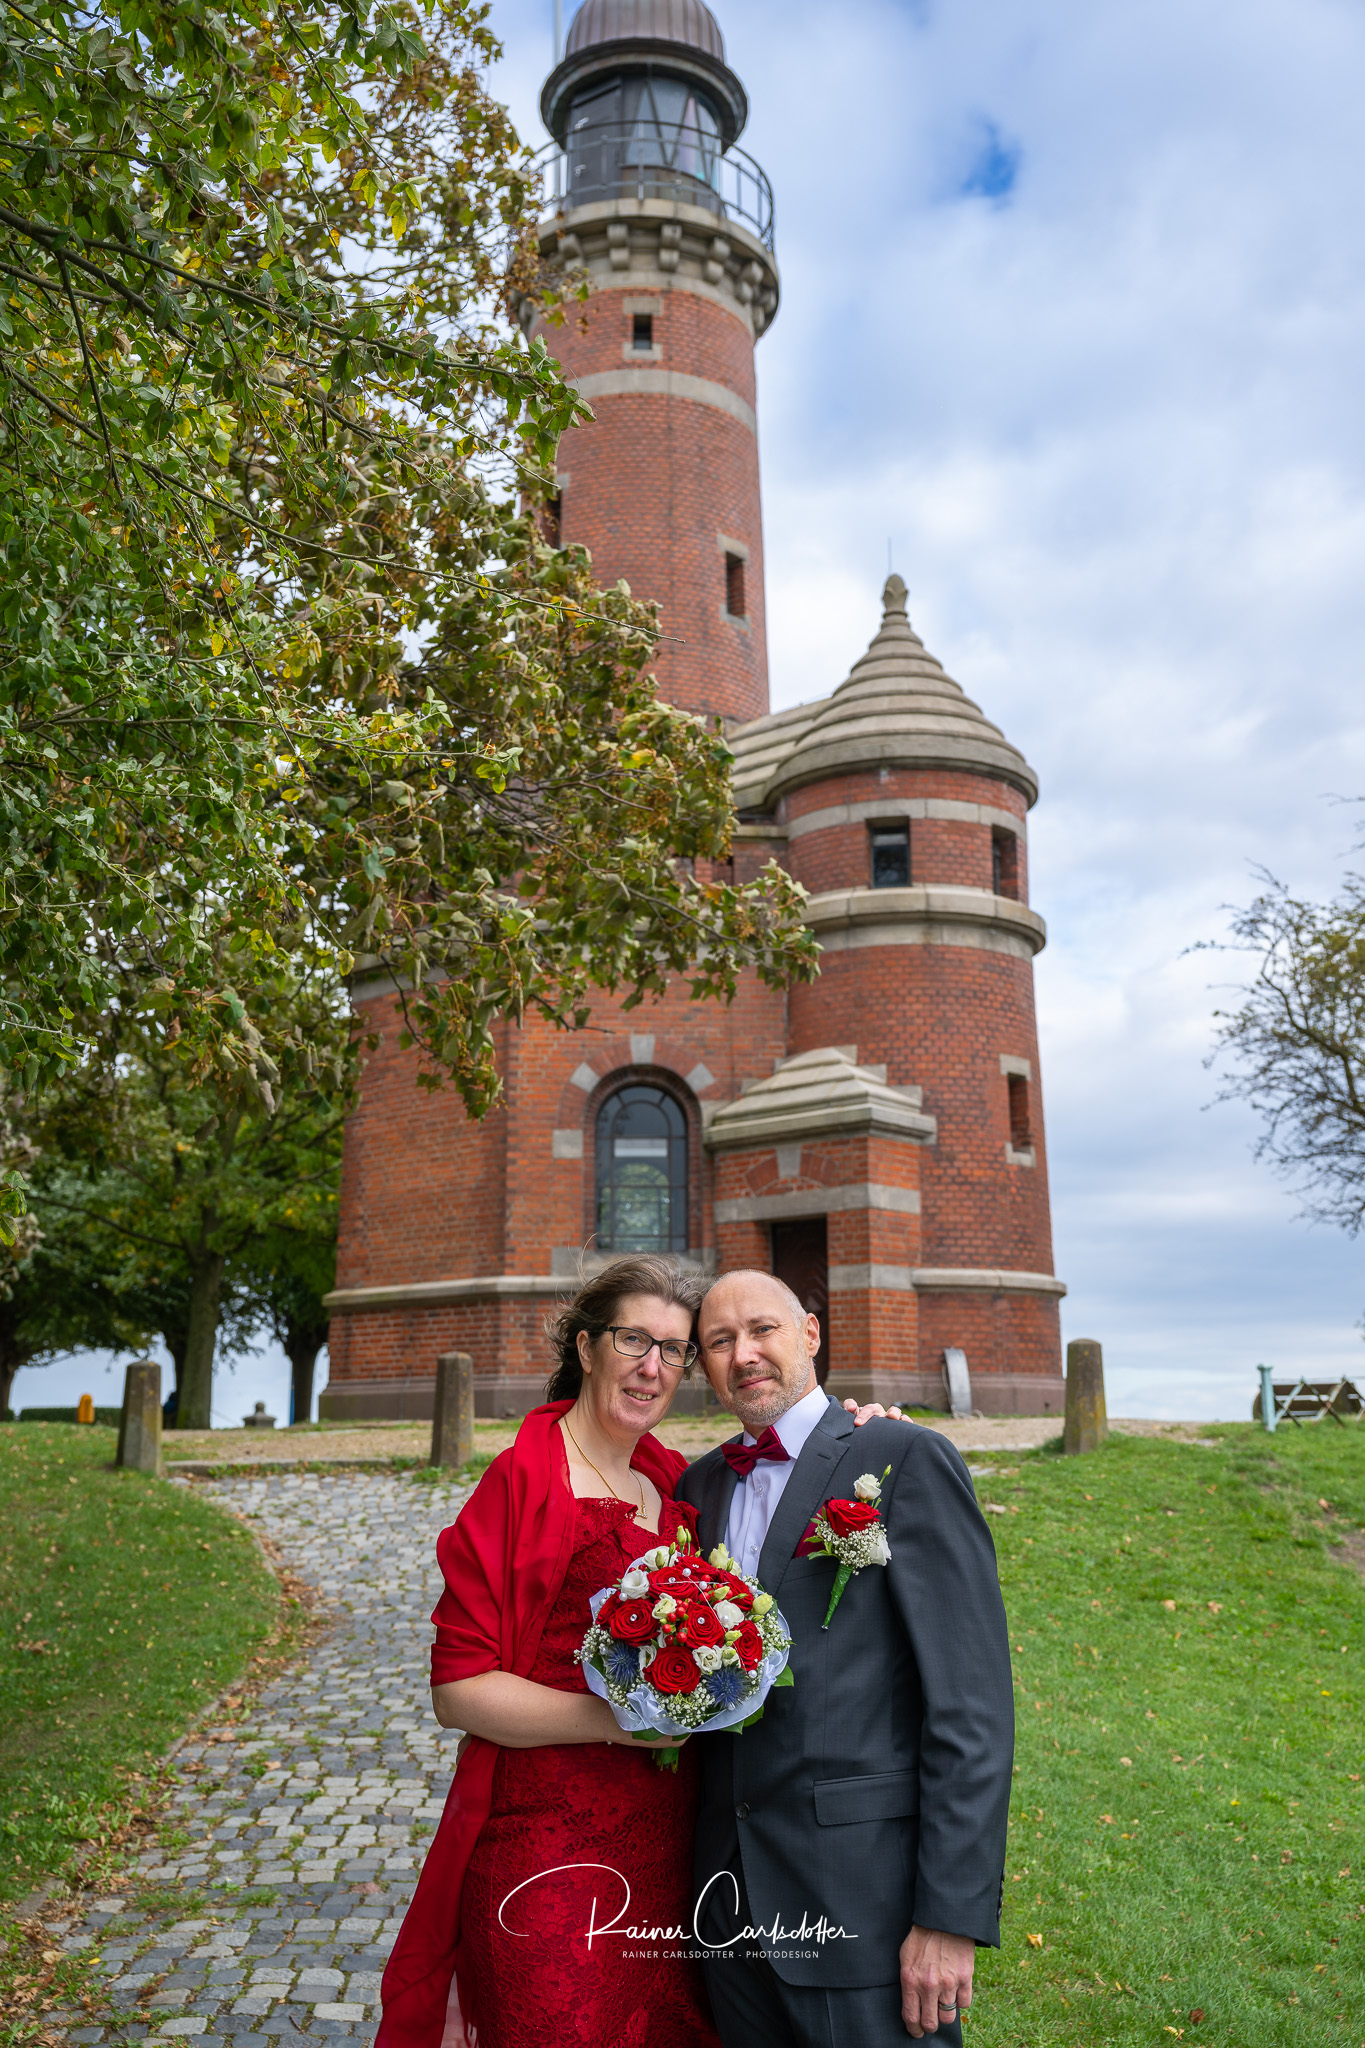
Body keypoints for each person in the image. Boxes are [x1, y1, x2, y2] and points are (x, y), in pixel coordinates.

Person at [376, 1253, 720, 2048]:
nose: (652, 1366)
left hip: (668, 1850)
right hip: (549, 1848)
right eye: (634, 1340)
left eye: (673, 1349)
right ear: (587, 1346)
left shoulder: (668, 1484)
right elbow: (458, 1689)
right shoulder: (524, 1481)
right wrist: (614, 1723)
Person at [675, 1269, 1014, 2048]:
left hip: (863, 1901)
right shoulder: (699, 1487)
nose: (743, 1354)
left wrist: (948, 1916)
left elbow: (970, 1704)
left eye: (762, 1329)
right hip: (726, 1901)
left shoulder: (900, 1457)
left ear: (811, 1335)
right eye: (719, 1341)